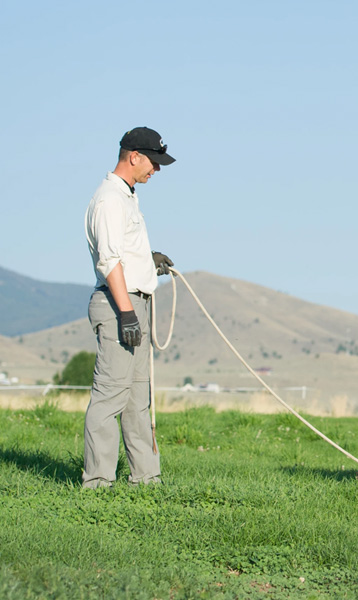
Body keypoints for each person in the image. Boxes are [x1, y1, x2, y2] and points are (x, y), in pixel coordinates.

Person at [82, 126, 176, 488]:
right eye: (153, 161)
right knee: (110, 397)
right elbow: (109, 261)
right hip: (119, 304)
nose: (156, 169)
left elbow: (123, 252)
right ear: (133, 156)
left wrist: (148, 260)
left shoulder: (127, 196)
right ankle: (98, 483)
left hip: (136, 302)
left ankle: (146, 481)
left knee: (139, 398)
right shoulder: (109, 199)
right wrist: (125, 313)